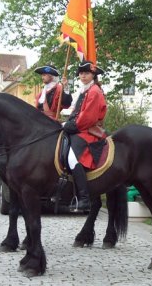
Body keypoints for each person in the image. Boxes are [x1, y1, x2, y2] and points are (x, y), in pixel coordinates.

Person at [63, 60, 107, 212]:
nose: (83, 76)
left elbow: (88, 117)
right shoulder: (85, 90)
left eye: (86, 73)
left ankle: (84, 198)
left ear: (93, 75)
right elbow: (76, 112)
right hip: (79, 128)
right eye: (81, 73)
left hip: (87, 131)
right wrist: (67, 123)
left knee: (72, 158)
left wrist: (72, 126)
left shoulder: (94, 91)